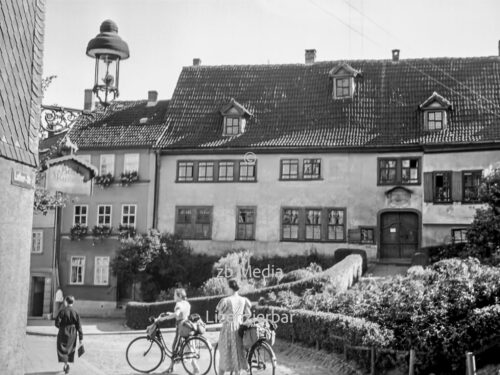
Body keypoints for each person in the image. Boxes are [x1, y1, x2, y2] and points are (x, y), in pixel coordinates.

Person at [156, 288, 197, 374]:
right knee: (188, 348)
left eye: (175, 295)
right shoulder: (186, 303)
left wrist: (164, 318)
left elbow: (177, 314)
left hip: (180, 328)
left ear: (179, 296)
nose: (173, 296)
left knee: (175, 347)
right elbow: (181, 314)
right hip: (186, 326)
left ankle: (171, 369)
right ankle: (194, 368)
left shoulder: (178, 304)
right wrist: (170, 313)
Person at [216, 278, 252, 375]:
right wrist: (239, 318)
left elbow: (219, 317)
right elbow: (248, 314)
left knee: (224, 355)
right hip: (239, 329)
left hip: (228, 329)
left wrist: (225, 319)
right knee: (238, 354)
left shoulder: (226, 300)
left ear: (230, 288)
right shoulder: (244, 300)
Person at [55, 295, 83, 374]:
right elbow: (79, 326)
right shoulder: (76, 312)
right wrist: (81, 338)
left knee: (62, 348)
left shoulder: (62, 311)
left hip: (63, 331)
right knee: (70, 349)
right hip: (73, 333)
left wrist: (61, 328)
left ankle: (66, 365)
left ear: (66, 302)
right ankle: (66, 364)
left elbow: (57, 323)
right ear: (73, 302)